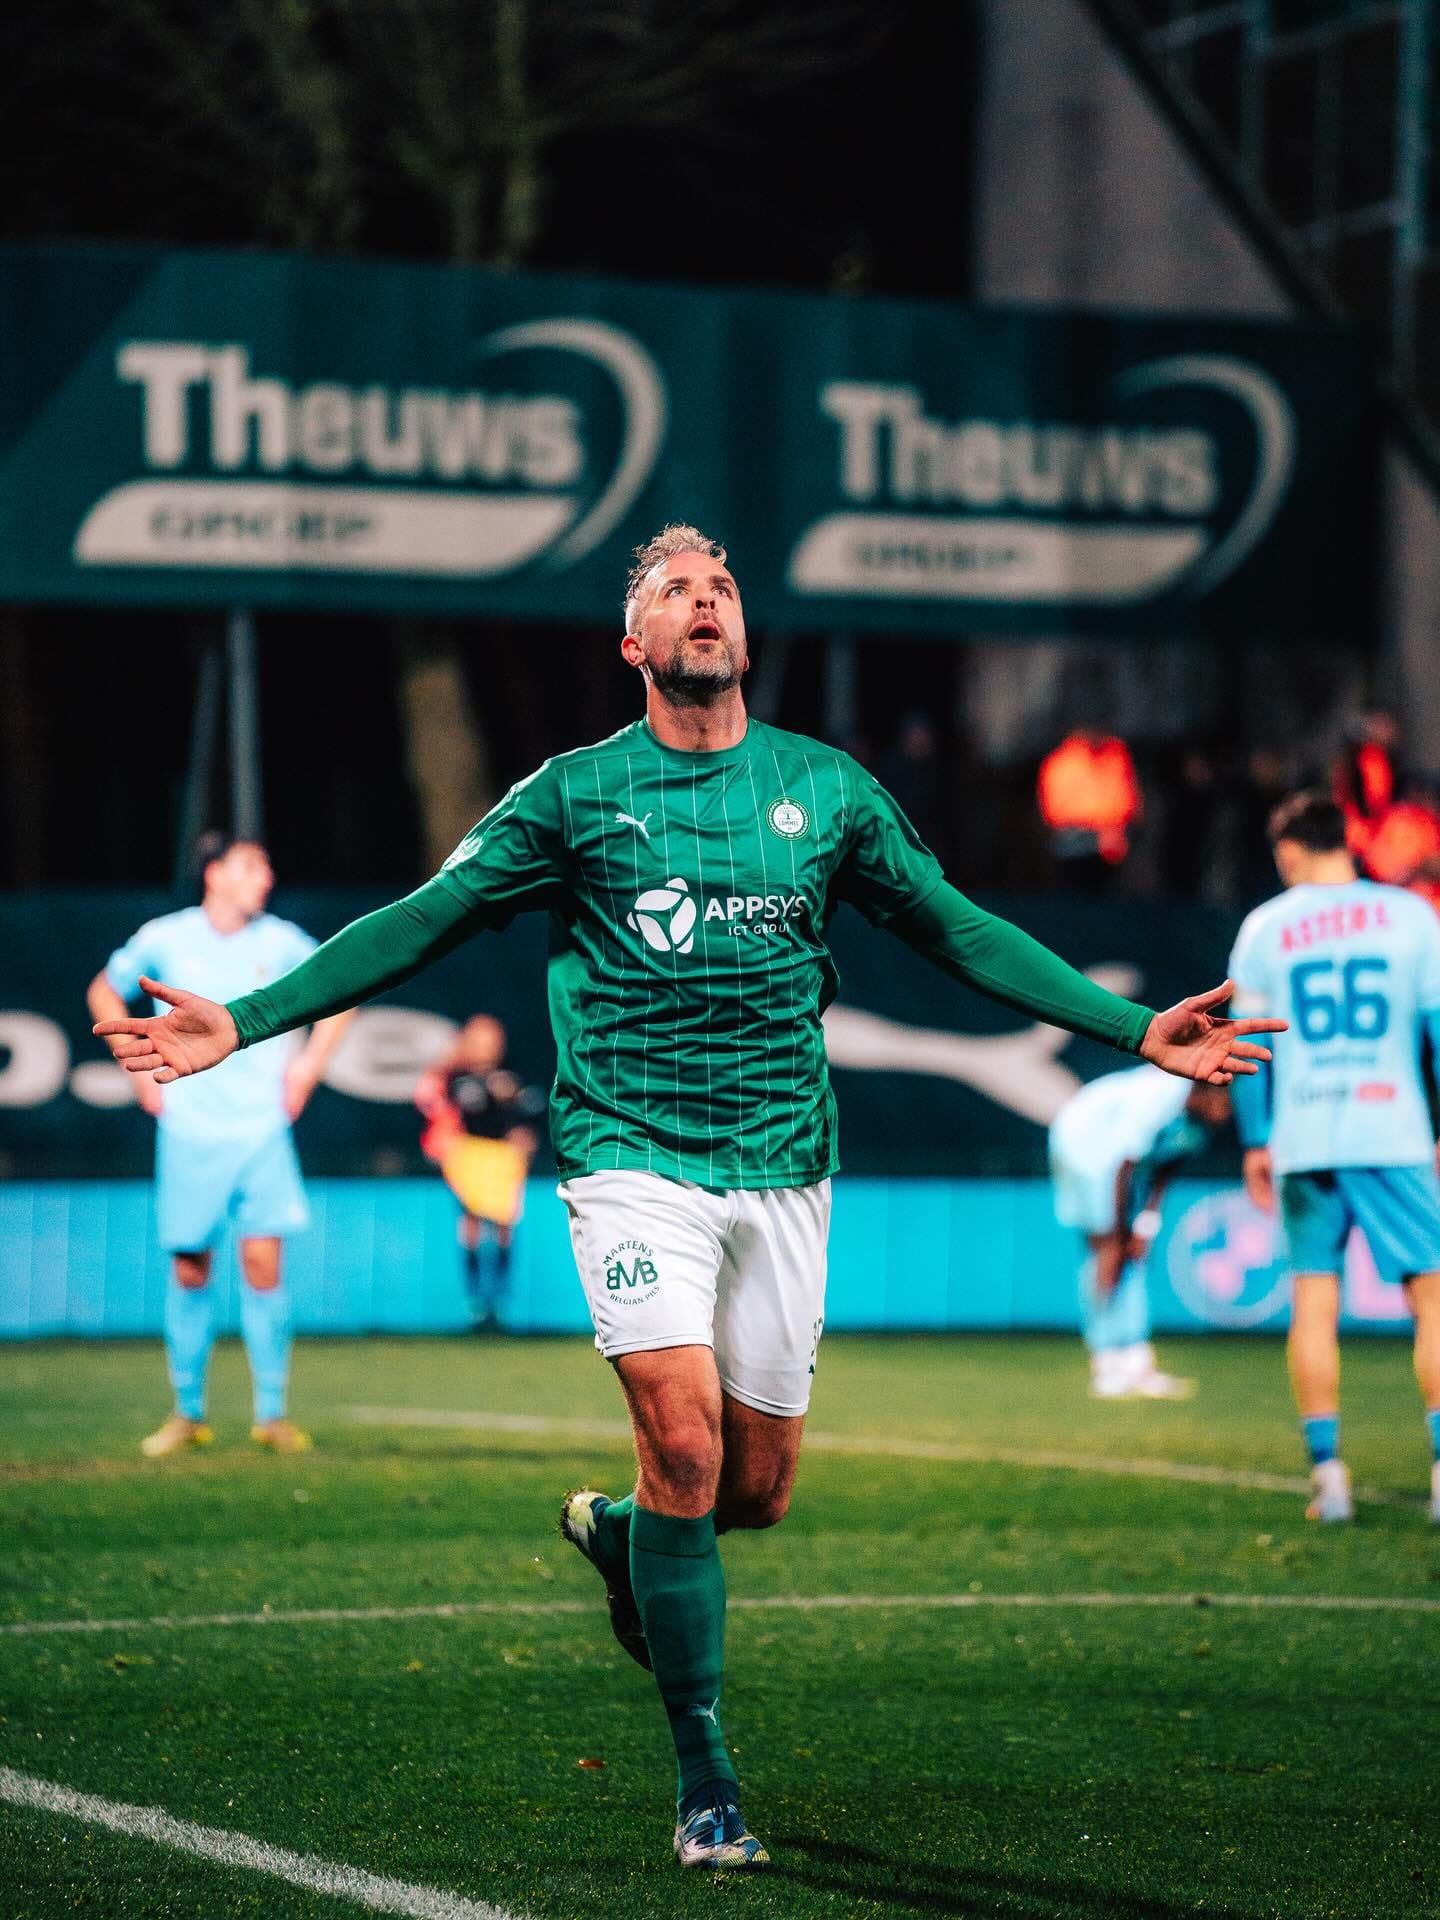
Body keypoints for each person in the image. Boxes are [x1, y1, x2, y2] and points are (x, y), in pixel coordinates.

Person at [94, 524, 1282, 1871]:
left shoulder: (824, 789)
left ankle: (624, 1538)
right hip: (629, 1157)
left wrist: (1132, 1027)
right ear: (634, 643)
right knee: (686, 1444)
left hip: (783, 1163)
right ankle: (707, 1778)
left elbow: (956, 928)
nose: (704, 600)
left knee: (755, 1492)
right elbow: (421, 919)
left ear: (744, 632)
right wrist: (247, 1020)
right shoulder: (576, 794)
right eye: (675, 591)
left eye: (721, 585)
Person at [86, 833, 353, 1457]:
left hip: (260, 1130)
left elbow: (342, 994)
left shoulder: (281, 941)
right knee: (190, 1267)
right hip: (190, 1129)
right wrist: (135, 1069)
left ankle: (271, 1415)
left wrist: (307, 1069)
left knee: (264, 1267)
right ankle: (188, 1414)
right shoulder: (167, 937)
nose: (266, 877)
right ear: (214, 874)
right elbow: (103, 990)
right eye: (252, 865)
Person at [1228, 791, 1440, 1524]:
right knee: (1431, 1299)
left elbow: (1247, 1042)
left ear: (1289, 851)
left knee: (1314, 1306)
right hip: (1394, 1131)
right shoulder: (1412, 916)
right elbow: (1437, 1029)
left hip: (1304, 1135)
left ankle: (1330, 1478)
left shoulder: (1266, 926)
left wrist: (1255, 1141)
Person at [1050, 1067, 1230, 1398]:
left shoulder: (1198, 1122)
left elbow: (1166, 1168)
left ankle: (1135, 1362)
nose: (1228, 1112)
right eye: (1225, 1100)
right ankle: (1106, 1362)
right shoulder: (1159, 1099)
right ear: (1206, 1092)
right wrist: (1120, 1233)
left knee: (1133, 1254)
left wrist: (1145, 1224)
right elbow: (1123, 1163)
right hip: (1084, 1144)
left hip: (1119, 1163)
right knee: (1106, 1250)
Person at [414, 1015, 544, 1330]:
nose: (486, 1047)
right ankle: (474, 1303)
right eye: (480, 1040)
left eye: (492, 1040)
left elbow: (530, 1112)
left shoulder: (513, 1076)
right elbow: (433, 1105)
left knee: (503, 1226)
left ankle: (500, 1302)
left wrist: (523, 1134)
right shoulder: (454, 1079)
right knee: (471, 1225)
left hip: (502, 1158)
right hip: (470, 1156)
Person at [1036, 725, 1142, 892]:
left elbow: (1127, 800)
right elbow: (1055, 808)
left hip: (1112, 844)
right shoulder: (1063, 762)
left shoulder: (1116, 756)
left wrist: (1115, 829)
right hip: (1072, 842)